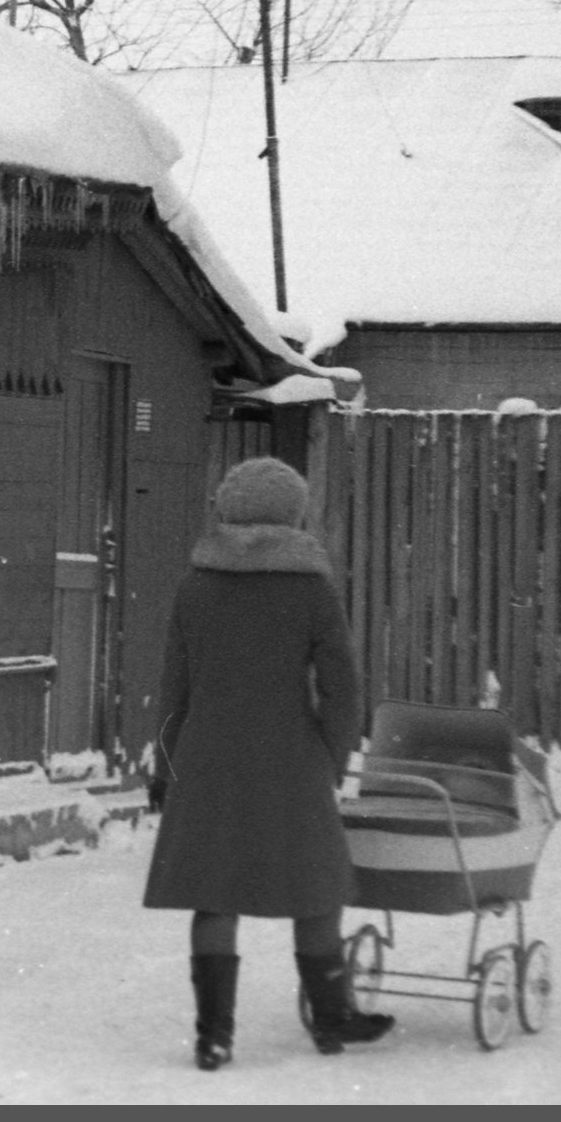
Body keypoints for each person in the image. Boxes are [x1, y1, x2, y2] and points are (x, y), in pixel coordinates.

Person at [142, 455, 393, 1070]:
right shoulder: (311, 587)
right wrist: (331, 758)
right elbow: (342, 688)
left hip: (205, 762)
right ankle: (333, 1020)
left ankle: (214, 1037)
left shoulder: (194, 585)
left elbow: (174, 686)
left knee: (213, 894)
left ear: (226, 509)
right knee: (316, 891)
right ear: (293, 512)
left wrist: (164, 766)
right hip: (292, 761)